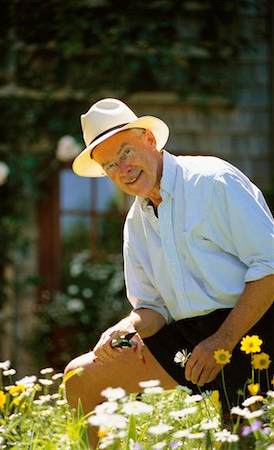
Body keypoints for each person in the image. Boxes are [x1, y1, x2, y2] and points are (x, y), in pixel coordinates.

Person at [65, 98, 274, 444]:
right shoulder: (135, 221)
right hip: (190, 338)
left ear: (150, 138)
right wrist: (125, 327)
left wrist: (223, 340)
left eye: (126, 152)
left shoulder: (213, 181)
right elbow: (153, 309)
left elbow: (270, 265)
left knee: (242, 439)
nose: (122, 170)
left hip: (256, 324)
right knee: (81, 378)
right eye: (110, 166)